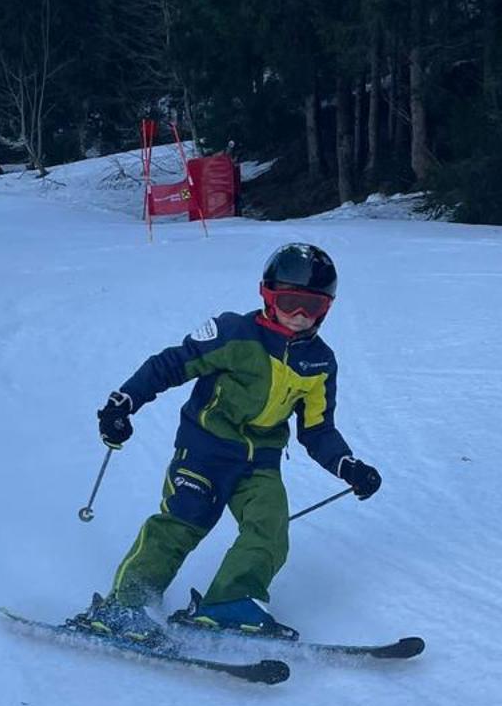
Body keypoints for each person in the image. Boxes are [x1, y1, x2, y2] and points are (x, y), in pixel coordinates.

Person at [74, 243, 381, 640]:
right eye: (290, 302)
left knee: (269, 527)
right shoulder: (234, 333)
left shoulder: (319, 362)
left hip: (260, 462)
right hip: (205, 450)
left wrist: (348, 465)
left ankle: (229, 603)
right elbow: (171, 364)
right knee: (183, 523)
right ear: (268, 296)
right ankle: (125, 605)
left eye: (312, 306)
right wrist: (123, 403)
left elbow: (317, 429)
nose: (299, 315)